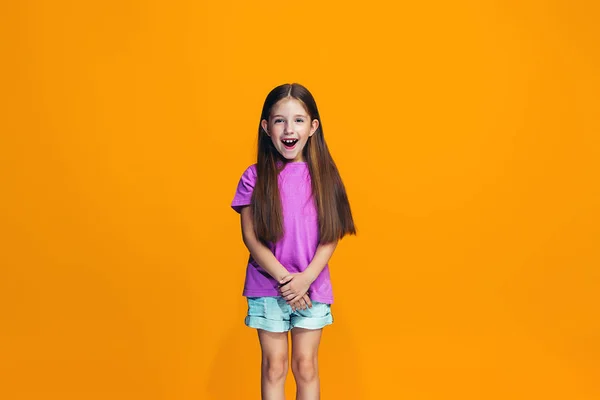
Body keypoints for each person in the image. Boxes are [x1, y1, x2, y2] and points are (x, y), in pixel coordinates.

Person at [231, 83, 356, 399]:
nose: (289, 129)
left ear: (313, 127)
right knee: (274, 367)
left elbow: (332, 234)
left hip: (312, 287)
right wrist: (287, 281)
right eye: (279, 121)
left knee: (306, 366)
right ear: (266, 127)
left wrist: (306, 280)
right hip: (268, 286)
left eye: (299, 120)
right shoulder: (254, 176)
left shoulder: (326, 175)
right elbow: (250, 236)